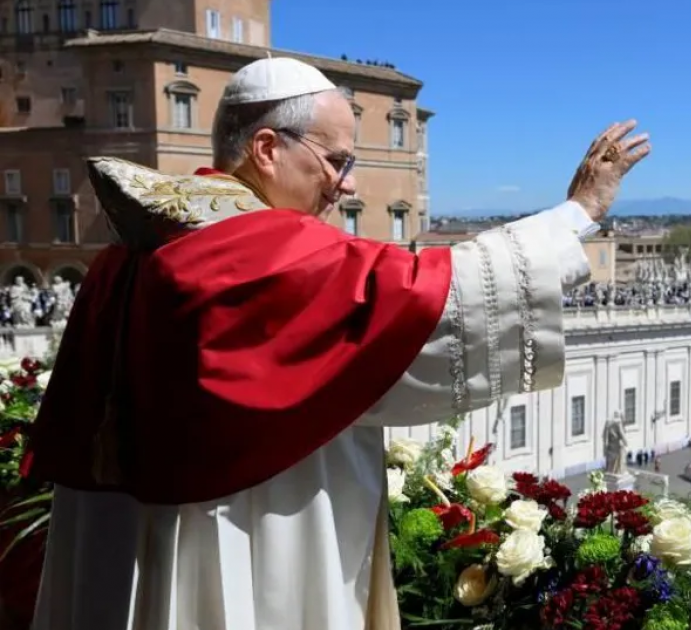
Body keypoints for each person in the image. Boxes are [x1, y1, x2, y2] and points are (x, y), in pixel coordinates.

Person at [24, 57, 650, 630]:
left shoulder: (138, 244)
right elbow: (425, 296)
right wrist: (578, 213)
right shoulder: (252, 249)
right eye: (336, 161)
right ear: (268, 149)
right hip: (243, 535)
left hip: (126, 539)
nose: (346, 186)